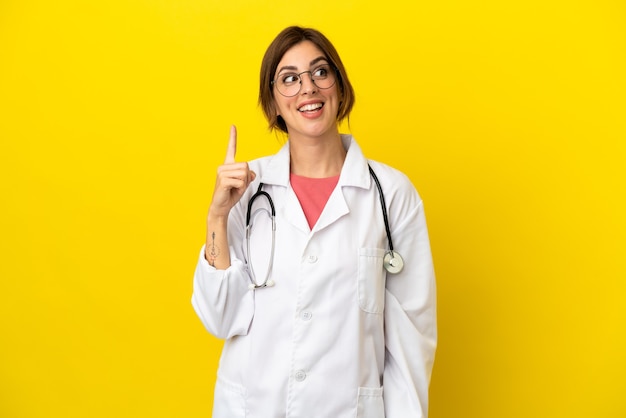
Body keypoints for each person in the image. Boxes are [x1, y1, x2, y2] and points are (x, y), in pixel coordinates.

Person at [191, 26, 437, 418]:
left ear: (339, 86)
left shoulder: (391, 194)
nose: (308, 88)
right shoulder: (246, 190)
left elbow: (412, 340)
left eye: (320, 72)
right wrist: (217, 214)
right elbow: (219, 319)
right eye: (289, 79)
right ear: (273, 103)